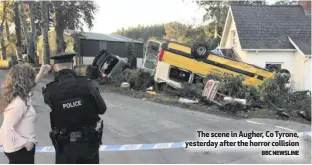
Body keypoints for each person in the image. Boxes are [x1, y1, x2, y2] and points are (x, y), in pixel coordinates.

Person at [42, 52, 107, 164]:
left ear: (56, 67)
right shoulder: (88, 85)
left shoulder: (50, 90)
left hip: (65, 146)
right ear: (73, 65)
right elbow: (102, 109)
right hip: (88, 144)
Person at [0, 63, 51, 164]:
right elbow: (6, 129)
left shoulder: (21, 95)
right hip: (19, 150)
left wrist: (41, 73)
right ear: (25, 81)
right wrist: (26, 144)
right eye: (30, 78)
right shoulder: (18, 103)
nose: (32, 81)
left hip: (19, 148)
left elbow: (31, 85)